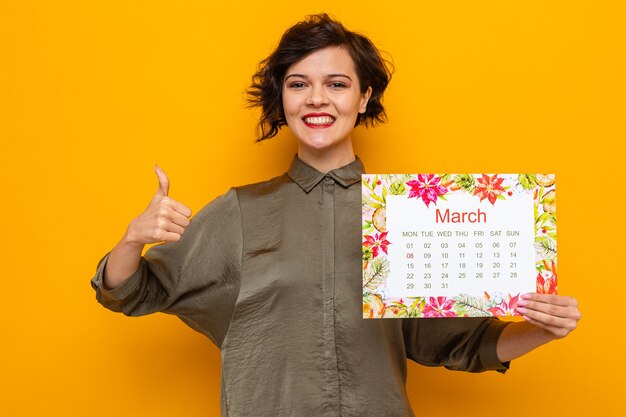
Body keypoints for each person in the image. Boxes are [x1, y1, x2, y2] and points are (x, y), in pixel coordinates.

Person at [90, 13, 581, 417]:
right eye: (299, 83)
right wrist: (133, 239)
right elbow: (134, 292)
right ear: (282, 99)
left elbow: (461, 343)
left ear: (363, 97)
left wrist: (541, 328)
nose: (317, 98)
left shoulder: (412, 215)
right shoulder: (239, 212)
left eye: (337, 83)